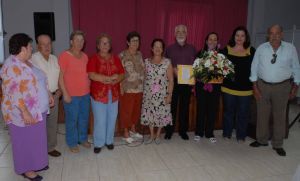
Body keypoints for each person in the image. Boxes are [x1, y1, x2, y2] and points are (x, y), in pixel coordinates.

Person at [1, 33, 54, 180]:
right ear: (23, 48)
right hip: (22, 113)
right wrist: (25, 112)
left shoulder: (27, 61)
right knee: (24, 141)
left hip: (37, 110)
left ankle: (37, 163)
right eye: (30, 46)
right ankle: (26, 169)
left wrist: (48, 93)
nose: (32, 49)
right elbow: (13, 93)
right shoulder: (10, 66)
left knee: (36, 139)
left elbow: (40, 79)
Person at [249, 24, 300, 156]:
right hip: (262, 85)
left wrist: (295, 86)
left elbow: (296, 68)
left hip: (282, 87)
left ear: (282, 34)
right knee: (262, 114)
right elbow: (254, 67)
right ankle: (261, 140)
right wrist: (254, 86)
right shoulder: (261, 48)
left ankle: (278, 144)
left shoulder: (290, 48)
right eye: (271, 33)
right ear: (268, 35)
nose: (274, 36)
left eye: (277, 33)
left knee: (280, 116)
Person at [87, 34, 124, 154]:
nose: (105, 45)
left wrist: (116, 78)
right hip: (98, 94)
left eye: (107, 43)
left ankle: (109, 141)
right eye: (102, 43)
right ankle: (98, 143)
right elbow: (91, 75)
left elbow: (122, 74)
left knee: (112, 118)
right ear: (98, 45)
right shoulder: (93, 58)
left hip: (113, 94)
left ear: (110, 45)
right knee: (100, 119)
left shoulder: (116, 59)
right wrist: (105, 78)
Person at [58, 30, 91, 153]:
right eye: (77, 40)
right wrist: (65, 93)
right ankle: (71, 142)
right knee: (72, 120)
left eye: (82, 40)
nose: (80, 42)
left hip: (85, 94)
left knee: (84, 118)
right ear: (71, 41)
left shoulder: (85, 56)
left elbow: (87, 75)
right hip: (71, 95)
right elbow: (60, 77)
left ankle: (82, 139)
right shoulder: (64, 56)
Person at [221, 26, 255, 142]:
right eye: (237, 35)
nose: (239, 38)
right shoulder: (226, 50)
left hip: (246, 90)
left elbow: (255, 69)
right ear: (233, 37)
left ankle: (241, 136)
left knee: (243, 114)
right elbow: (221, 69)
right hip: (228, 88)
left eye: (242, 36)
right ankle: (227, 133)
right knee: (228, 113)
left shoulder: (252, 51)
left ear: (246, 38)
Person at [164, 24, 196, 140]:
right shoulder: (169, 48)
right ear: (174, 34)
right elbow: (165, 65)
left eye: (183, 32)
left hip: (187, 83)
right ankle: (169, 131)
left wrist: (193, 79)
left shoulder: (192, 48)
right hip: (173, 82)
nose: (181, 34)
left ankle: (183, 131)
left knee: (184, 108)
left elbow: (195, 66)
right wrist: (172, 69)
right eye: (178, 32)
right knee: (171, 108)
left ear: (187, 34)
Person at [32, 34, 61, 157]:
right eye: (43, 44)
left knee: (52, 124)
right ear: (38, 46)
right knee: (40, 125)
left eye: (49, 43)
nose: (47, 46)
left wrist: (60, 90)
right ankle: (39, 148)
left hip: (54, 96)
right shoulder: (32, 59)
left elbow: (59, 75)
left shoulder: (55, 58)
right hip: (40, 97)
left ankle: (50, 147)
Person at [141, 38, 174, 144]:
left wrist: (169, 95)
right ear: (152, 48)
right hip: (149, 94)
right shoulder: (146, 62)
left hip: (162, 94)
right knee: (150, 114)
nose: (157, 48)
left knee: (161, 114)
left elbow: (171, 80)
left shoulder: (167, 62)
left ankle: (158, 135)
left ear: (163, 49)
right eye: (155, 46)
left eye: (160, 46)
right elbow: (144, 78)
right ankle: (151, 135)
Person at [194, 32, 221, 143]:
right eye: (210, 39)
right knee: (201, 109)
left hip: (215, 87)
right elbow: (195, 70)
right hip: (202, 86)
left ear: (217, 42)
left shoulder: (221, 55)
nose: (212, 41)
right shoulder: (200, 53)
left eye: (215, 39)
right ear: (206, 41)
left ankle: (209, 133)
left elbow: (223, 71)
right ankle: (199, 132)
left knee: (212, 110)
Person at [119, 31, 144, 143]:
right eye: (133, 40)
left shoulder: (140, 55)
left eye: (137, 40)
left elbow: (143, 70)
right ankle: (125, 132)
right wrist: (120, 87)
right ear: (128, 42)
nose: (135, 43)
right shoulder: (122, 55)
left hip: (139, 88)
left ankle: (133, 130)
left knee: (136, 111)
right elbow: (119, 73)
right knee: (126, 111)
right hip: (127, 89)